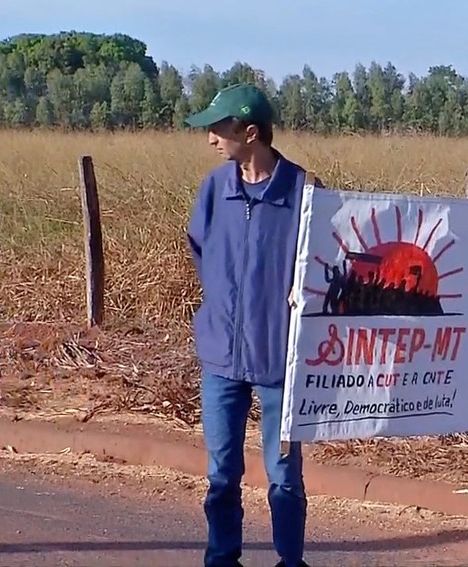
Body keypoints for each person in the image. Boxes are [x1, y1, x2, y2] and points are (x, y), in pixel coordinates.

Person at [184, 83, 316, 567]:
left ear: (251, 133)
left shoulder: (303, 192)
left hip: (280, 357)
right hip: (221, 355)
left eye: (220, 129)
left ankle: (290, 560)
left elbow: (325, 267)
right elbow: (200, 247)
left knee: (283, 474)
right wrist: (222, 301)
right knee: (221, 472)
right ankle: (222, 558)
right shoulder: (215, 188)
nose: (212, 139)